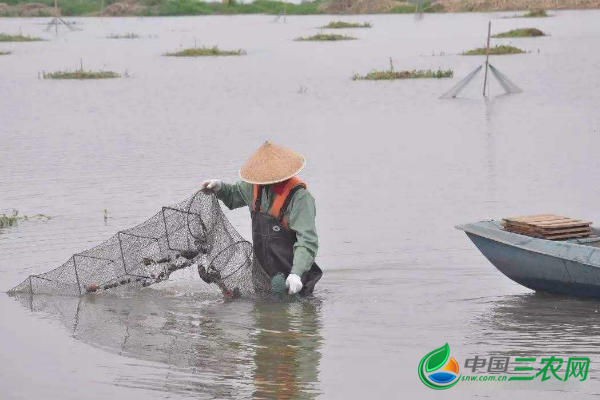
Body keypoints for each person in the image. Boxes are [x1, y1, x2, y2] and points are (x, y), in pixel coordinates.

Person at [201, 141, 322, 296]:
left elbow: (307, 240)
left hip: (294, 280)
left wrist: (296, 274)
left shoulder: (300, 198)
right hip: (262, 276)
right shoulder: (253, 187)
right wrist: (220, 188)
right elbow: (233, 196)